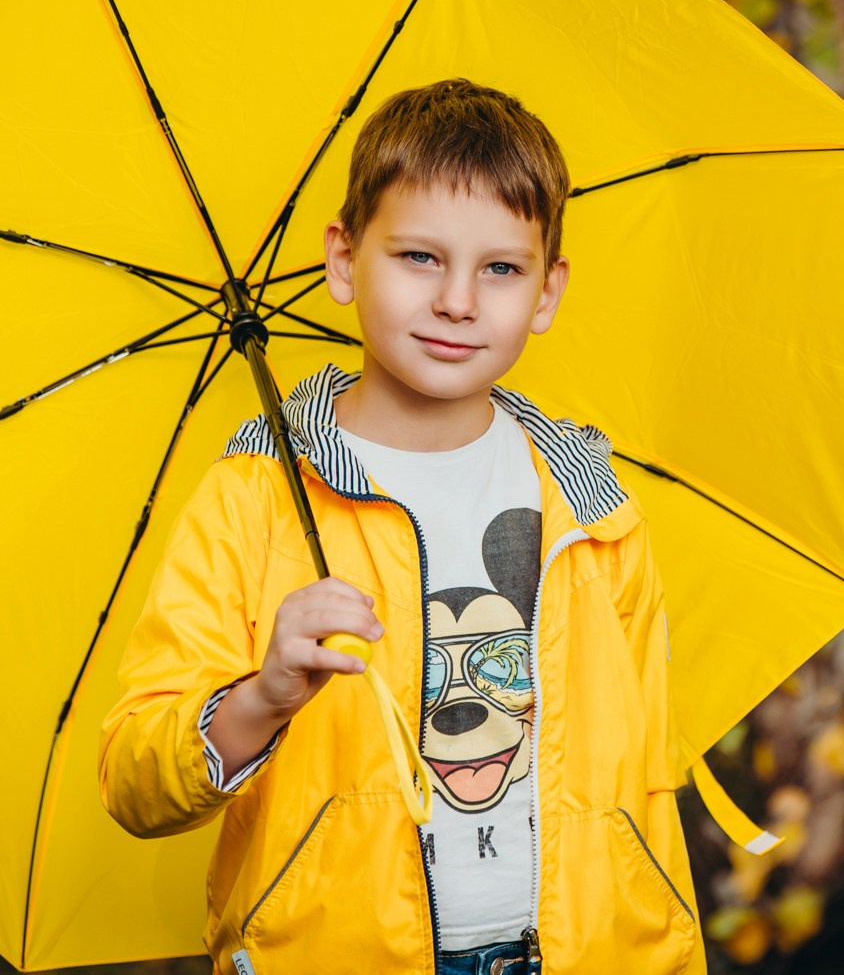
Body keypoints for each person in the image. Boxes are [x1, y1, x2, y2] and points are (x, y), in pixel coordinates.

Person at [99, 78, 703, 975]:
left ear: (547, 291)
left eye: (501, 268)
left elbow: (643, 774)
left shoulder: (592, 503)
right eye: (420, 257)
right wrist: (262, 696)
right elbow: (134, 778)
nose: (460, 301)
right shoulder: (255, 500)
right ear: (344, 260)